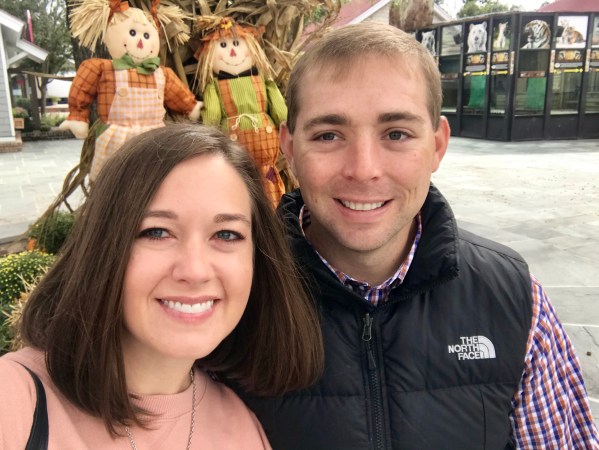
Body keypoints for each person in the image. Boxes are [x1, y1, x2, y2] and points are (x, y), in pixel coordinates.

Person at [234, 23, 599, 449]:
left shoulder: (514, 299)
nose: (364, 169)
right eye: (328, 135)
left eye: (396, 134)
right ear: (290, 148)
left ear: (437, 146)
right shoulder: (234, 297)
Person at [0, 124, 323, 448]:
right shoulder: (15, 401)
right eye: (157, 232)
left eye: (226, 234)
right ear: (102, 246)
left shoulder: (242, 426)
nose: (195, 271)